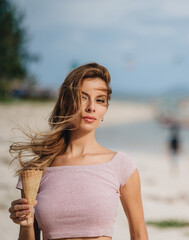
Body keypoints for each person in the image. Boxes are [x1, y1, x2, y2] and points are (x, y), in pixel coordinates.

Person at [7, 63, 149, 240]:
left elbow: (139, 235)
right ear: (67, 102)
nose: (91, 107)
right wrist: (26, 223)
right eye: (83, 97)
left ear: (105, 109)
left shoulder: (121, 165)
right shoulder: (38, 169)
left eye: (100, 100)